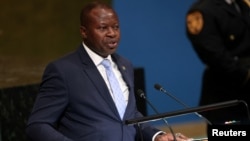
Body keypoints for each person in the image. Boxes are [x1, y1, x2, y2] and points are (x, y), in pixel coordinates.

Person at [26, 1, 191, 141]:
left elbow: (129, 116)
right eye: (103, 28)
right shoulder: (63, 70)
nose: (112, 33)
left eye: (116, 27)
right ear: (84, 32)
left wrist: (157, 135)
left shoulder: (125, 65)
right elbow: (38, 125)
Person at [185, 0, 250, 124]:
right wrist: (246, 74)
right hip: (225, 96)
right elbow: (214, 55)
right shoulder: (202, 11)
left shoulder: (242, 5)